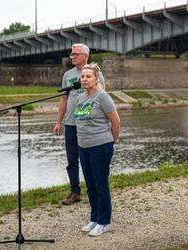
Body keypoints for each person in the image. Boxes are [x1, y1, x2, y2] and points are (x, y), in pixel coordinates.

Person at [53, 43, 105, 205]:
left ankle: (95, 191)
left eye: (76, 54)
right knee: (72, 160)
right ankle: (75, 192)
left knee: (91, 159)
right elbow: (63, 99)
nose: (72, 56)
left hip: (89, 125)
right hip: (70, 124)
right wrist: (58, 122)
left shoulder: (96, 74)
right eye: (71, 54)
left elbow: (101, 98)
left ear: (86, 56)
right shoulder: (68, 75)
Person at [75, 63, 120, 236]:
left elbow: (116, 121)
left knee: (101, 185)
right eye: (83, 77)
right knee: (90, 186)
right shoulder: (80, 97)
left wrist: (113, 139)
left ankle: (104, 221)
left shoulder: (102, 97)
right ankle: (94, 218)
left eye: (88, 76)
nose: (84, 79)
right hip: (83, 147)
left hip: (100, 146)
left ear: (96, 79)